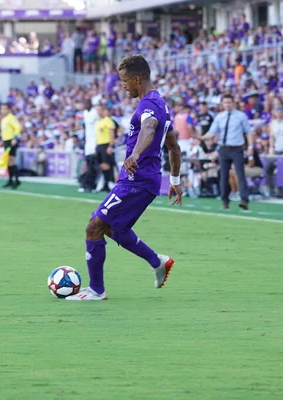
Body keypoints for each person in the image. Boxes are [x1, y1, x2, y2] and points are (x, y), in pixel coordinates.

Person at [66, 54, 183, 301]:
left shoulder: (148, 106)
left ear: (137, 79)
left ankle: (96, 290)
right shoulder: (161, 104)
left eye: (124, 80)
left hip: (136, 180)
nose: (123, 85)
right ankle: (157, 261)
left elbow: (149, 128)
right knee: (111, 228)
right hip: (143, 180)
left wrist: (136, 155)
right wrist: (174, 181)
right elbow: (174, 146)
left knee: (94, 227)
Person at [208, 94, 251, 210]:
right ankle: (225, 200)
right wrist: (201, 137)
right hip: (223, 148)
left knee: (240, 174)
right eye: (225, 102)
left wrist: (250, 146)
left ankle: (244, 200)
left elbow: (248, 132)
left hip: (237, 148)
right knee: (223, 176)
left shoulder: (241, 116)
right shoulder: (219, 117)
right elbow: (212, 132)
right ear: (222, 104)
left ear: (233, 103)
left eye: (229, 102)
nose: (227, 104)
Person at [94, 104, 117, 191]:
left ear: (104, 111)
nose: (98, 112)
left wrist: (110, 146)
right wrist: (96, 146)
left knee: (107, 164)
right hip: (99, 145)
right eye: (97, 110)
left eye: (100, 110)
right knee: (101, 164)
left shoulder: (108, 121)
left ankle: (110, 182)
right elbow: (97, 135)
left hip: (106, 144)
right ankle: (105, 181)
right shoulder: (97, 122)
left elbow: (112, 134)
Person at [0, 103, 22, 188]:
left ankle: (16, 180)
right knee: (8, 162)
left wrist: (15, 138)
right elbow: (5, 131)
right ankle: (10, 180)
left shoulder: (11, 118)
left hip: (11, 141)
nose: (2, 111)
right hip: (6, 141)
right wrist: (2, 141)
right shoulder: (4, 119)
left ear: (8, 110)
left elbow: (18, 127)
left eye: (4, 109)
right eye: (1, 109)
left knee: (11, 161)